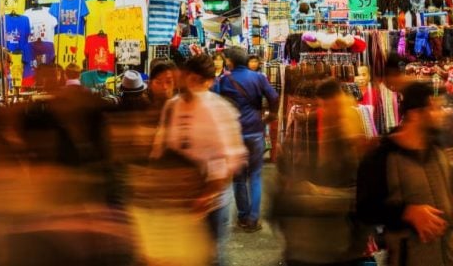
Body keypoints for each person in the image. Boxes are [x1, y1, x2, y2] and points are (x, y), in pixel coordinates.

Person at [356, 81, 453, 266]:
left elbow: (448, 194)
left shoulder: (437, 150)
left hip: (452, 257)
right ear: (415, 114)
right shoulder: (382, 157)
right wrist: (407, 212)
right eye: (434, 108)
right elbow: (366, 210)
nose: (441, 114)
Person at [152, 53, 246, 266]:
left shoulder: (220, 109)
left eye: (200, 82)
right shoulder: (172, 107)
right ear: (185, 76)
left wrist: (208, 194)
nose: (194, 86)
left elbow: (231, 158)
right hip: (179, 200)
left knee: (212, 256)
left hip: (212, 203)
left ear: (209, 82)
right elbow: (160, 148)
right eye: (191, 79)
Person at [273, 77, 369, 266]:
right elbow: (285, 182)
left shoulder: (351, 137)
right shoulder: (306, 129)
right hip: (309, 242)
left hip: (339, 243)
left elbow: (362, 194)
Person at [212, 46, 280, 232]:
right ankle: (253, 218)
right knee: (255, 175)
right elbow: (274, 97)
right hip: (256, 131)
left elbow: (214, 102)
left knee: (239, 178)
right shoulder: (259, 78)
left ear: (230, 62)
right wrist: (271, 115)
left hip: (234, 134)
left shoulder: (224, 80)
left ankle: (243, 217)